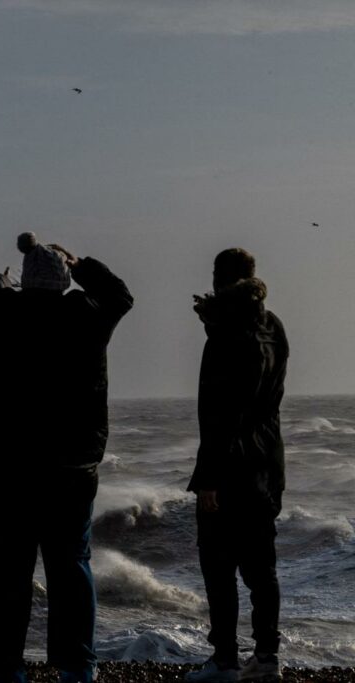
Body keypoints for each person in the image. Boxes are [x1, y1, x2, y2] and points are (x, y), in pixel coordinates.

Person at [0, 232, 133, 683]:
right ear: (64, 282)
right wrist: (78, 262)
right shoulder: (88, 316)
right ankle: (77, 666)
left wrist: (3, 278)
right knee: (70, 567)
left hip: (11, 467)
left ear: (26, 283)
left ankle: (6, 669)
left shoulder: (3, 314)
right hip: (73, 466)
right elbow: (120, 294)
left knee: (8, 568)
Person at [184, 248, 289, 683]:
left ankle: (225, 661)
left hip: (229, 468)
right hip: (267, 463)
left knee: (219, 568)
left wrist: (207, 479)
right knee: (262, 570)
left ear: (218, 281)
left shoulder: (228, 337)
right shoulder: (271, 326)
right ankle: (266, 658)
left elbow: (219, 413)